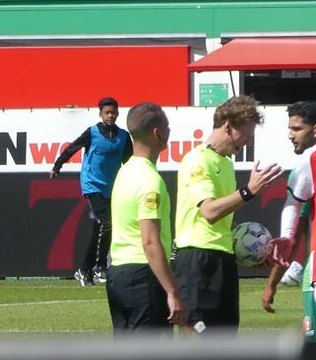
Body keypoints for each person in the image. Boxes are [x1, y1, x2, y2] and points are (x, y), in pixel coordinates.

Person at [172, 95, 282, 333]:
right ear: (228, 127)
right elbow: (209, 211)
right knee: (198, 333)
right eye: (247, 133)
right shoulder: (198, 159)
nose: (248, 140)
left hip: (223, 260)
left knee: (225, 339)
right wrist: (249, 190)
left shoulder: (226, 164)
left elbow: (221, 220)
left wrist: (251, 253)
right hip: (196, 261)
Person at [104, 103, 185, 333]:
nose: (169, 131)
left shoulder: (125, 171)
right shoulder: (150, 180)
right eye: (167, 126)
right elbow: (150, 242)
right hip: (143, 275)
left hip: (118, 273)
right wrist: (172, 291)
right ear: (157, 133)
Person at [50, 97, 132, 286]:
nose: (110, 115)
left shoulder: (123, 137)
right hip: (92, 185)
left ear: (118, 113)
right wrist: (57, 165)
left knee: (100, 228)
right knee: (108, 224)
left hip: (112, 188)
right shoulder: (93, 133)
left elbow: (129, 163)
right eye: (107, 112)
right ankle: (101, 267)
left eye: (113, 112)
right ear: (101, 114)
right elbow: (72, 148)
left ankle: (84, 269)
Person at [264, 101, 316, 334]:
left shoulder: (310, 162)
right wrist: (285, 237)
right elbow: (294, 208)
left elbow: (294, 207)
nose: (290, 135)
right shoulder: (308, 164)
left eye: (296, 129)